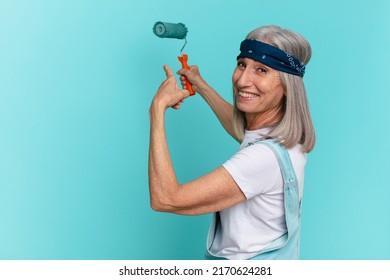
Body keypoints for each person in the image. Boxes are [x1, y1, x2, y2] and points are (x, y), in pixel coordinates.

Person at [148, 25, 315, 260]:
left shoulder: (261, 159)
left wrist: (157, 111)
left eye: (261, 70)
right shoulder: (287, 141)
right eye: (241, 64)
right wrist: (201, 85)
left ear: (288, 85)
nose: (243, 80)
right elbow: (243, 129)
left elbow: (166, 198)